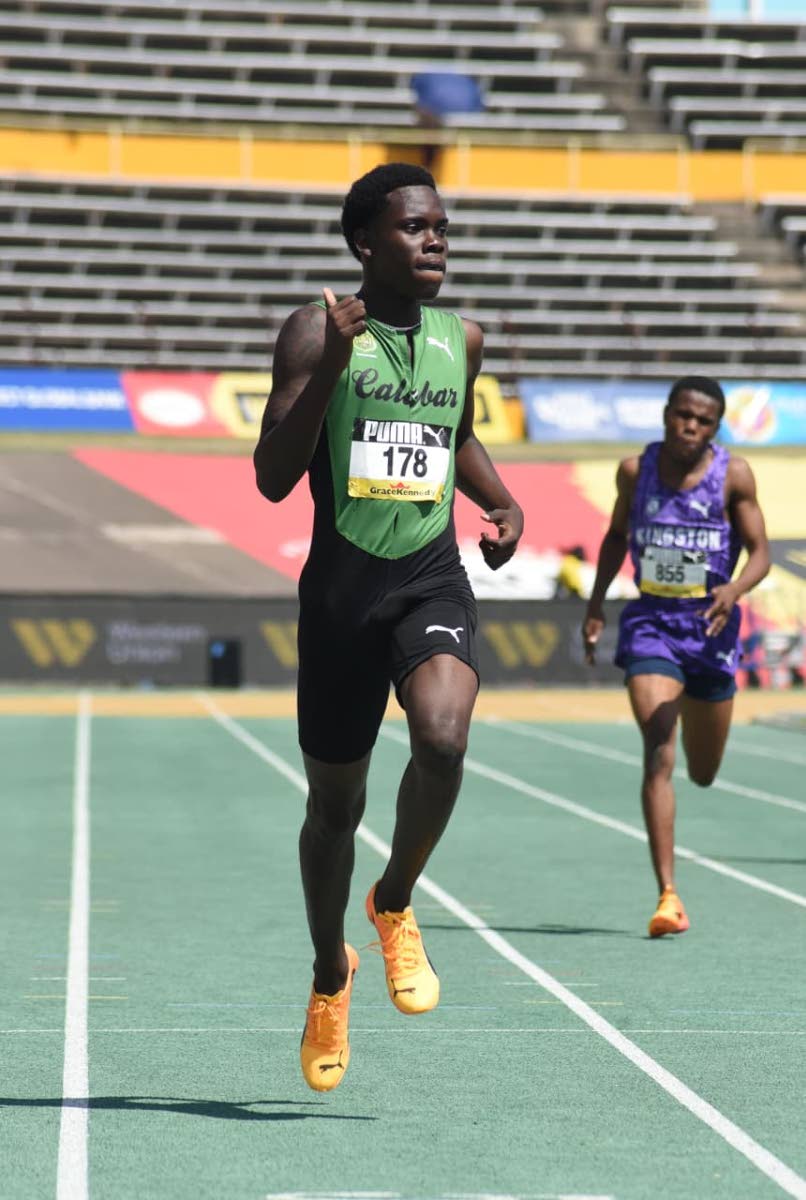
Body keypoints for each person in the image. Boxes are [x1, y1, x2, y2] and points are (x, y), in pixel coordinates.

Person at [253, 162, 523, 1090]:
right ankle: (332, 971)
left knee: (444, 737)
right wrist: (334, 361)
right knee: (335, 811)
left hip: (429, 577)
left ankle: (396, 900)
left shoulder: (465, 339)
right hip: (339, 597)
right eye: (416, 228)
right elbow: (273, 475)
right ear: (365, 242)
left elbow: (454, 432)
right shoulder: (311, 331)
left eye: (443, 226)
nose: (437, 240)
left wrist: (501, 502)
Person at [582, 376, 770, 938]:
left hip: (711, 627)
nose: (690, 426)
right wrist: (595, 604)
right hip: (652, 623)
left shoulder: (733, 475)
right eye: (682, 415)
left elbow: (761, 551)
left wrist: (733, 591)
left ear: (715, 427)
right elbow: (616, 536)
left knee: (704, 772)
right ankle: (668, 895)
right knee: (658, 749)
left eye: (703, 420)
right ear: (666, 415)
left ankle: (691, 700)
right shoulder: (635, 471)